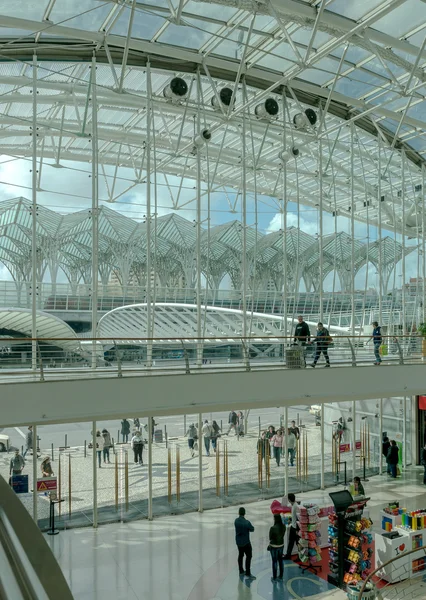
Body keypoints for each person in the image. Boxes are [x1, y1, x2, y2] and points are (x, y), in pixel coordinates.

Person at [234, 507, 256, 580]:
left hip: (238, 542)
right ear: (245, 513)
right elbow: (252, 529)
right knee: (249, 556)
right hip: (246, 542)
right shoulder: (247, 522)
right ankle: (248, 572)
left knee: (240, 555)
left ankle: (241, 570)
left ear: (238, 513)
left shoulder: (236, 521)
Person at [268, 514, 286, 581]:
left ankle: (274, 577)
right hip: (281, 545)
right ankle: (281, 575)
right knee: (280, 560)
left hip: (274, 546)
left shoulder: (272, 528)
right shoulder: (283, 527)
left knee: (274, 561)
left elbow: (270, 538)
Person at [283, 493, 299, 560]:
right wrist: (290, 519)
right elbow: (294, 517)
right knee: (291, 541)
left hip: (295, 528)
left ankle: (299, 556)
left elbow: (298, 518)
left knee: (297, 542)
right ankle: (288, 554)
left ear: (289, 500)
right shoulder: (293, 506)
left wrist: (297, 529)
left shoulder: (296, 506)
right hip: (293, 526)